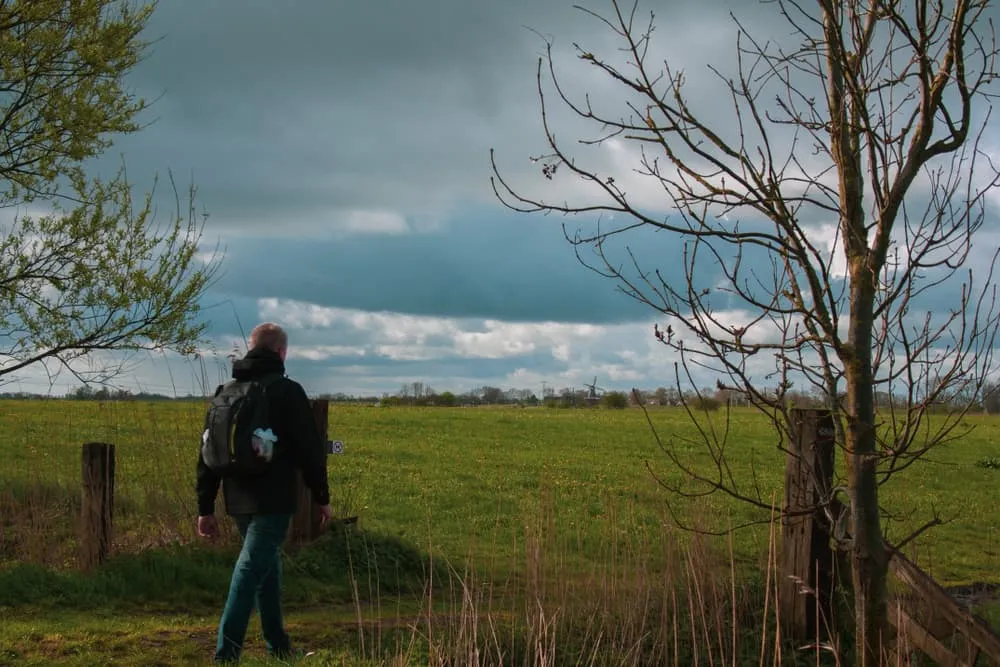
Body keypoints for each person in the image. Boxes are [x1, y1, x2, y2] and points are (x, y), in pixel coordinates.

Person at [196, 322, 332, 663]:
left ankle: (279, 647)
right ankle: (226, 655)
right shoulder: (287, 391)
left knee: (266, 570)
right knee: (249, 571)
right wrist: (322, 496)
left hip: (237, 498)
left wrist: (205, 507)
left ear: (251, 348)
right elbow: (310, 451)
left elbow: (207, 453)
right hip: (273, 501)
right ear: (281, 353)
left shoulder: (226, 391)